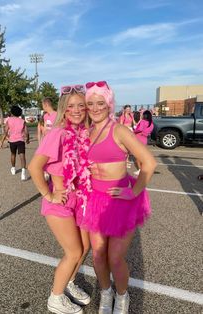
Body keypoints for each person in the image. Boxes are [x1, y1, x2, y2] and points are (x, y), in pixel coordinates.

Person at [83, 81, 157, 314]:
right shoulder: (86, 132)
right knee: (97, 256)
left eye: (100, 103)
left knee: (115, 258)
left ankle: (122, 297)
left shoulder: (120, 130)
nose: (95, 108)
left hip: (120, 201)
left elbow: (149, 163)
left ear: (109, 104)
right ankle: (106, 293)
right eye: (91, 103)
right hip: (95, 201)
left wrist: (133, 192)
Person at [28, 85, 91, 314]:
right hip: (60, 202)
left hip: (80, 199)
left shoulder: (83, 134)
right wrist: (49, 194)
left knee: (85, 247)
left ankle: (70, 283)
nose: (76, 110)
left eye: (81, 105)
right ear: (64, 110)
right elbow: (34, 166)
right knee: (73, 252)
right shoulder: (57, 134)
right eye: (71, 106)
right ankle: (55, 299)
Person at [0, 105, 29, 181]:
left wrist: (2, 141)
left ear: (12, 112)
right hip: (21, 140)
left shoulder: (9, 120)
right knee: (22, 155)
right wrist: (27, 139)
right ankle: (23, 173)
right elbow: (26, 132)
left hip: (12, 141)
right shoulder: (22, 121)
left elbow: (6, 132)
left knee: (13, 154)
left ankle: (13, 168)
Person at [133, 110, 154, 176]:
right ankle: (144, 168)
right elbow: (149, 131)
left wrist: (135, 130)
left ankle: (140, 170)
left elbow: (140, 129)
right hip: (145, 139)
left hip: (139, 138)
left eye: (142, 114)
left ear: (145, 115)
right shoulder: (151, 123)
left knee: (137, 156)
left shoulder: (143, 121)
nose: (141, 115)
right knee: (142, 155)